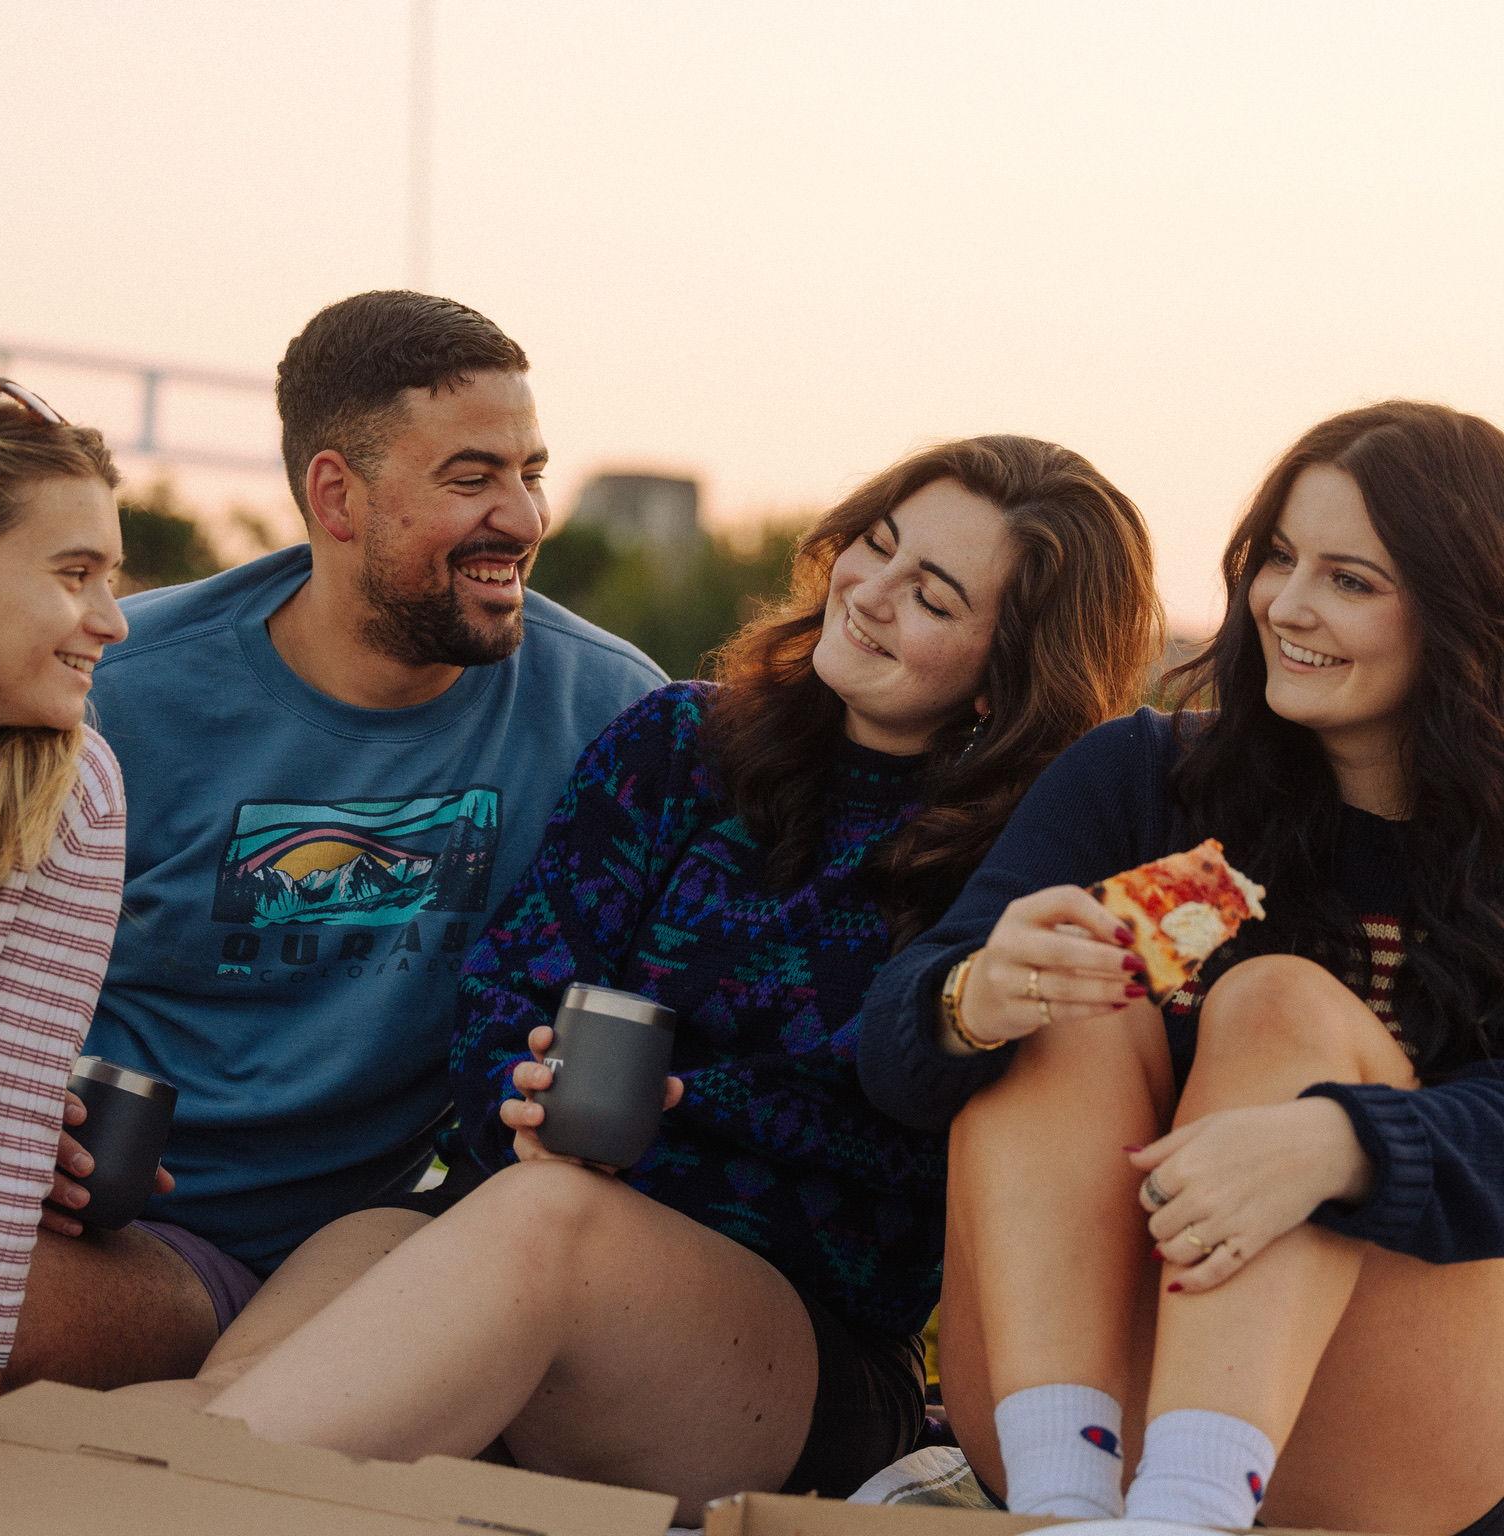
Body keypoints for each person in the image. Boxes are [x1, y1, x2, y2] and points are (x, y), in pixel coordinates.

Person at [197, 432, 1164, 1524]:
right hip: (512, 1211)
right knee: (265, 1361)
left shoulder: (1025, 865)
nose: (871, 592)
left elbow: (923, 1127)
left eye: (933, 597)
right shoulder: (679, 741)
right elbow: (510, 985)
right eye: (878, 545)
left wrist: (671, 1127)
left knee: (543, 1232)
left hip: (784, 1344)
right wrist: (522, 1092)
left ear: (1006, 677)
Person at [861, 400, 1504, 1536]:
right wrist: (971, 998)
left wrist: (1343, 1143)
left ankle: (1190, 1510)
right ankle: (1069, 1511)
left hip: (1384, 1432)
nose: (1287, 605)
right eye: (1279, 558)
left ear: (1465, 615)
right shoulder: (1143, 778)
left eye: (1351, 580)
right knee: (1065, 976)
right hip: (1075, 1395)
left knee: (1280, 1005)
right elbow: (891, 1062)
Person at [6, 291, 665, 1394]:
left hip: (391, 1254)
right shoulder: (117, 691)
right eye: (472, 478)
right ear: (336, 495)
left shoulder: (612, 716)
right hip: (118, 1236)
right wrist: (21, 1132)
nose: (522, 517)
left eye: (531, 472)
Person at [0, 380, 129, 1422]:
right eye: (76, 575)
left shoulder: (73, 793)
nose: (112, 622)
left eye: (111, 578)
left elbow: (0, 1143)